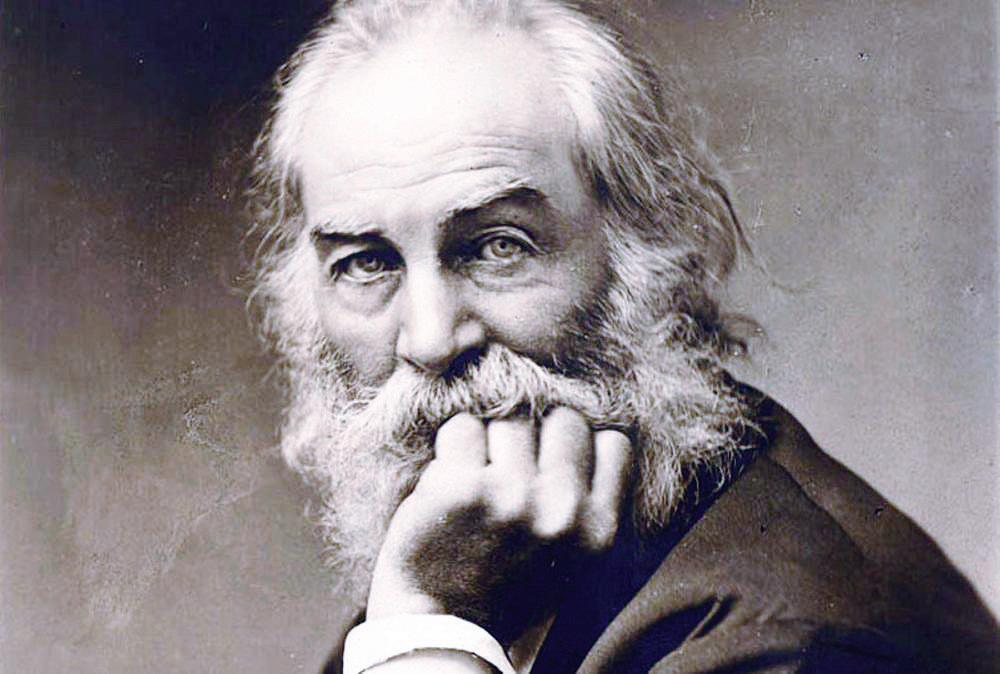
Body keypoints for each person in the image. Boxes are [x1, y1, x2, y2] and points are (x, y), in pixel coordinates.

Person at [246, 1, 1000, 672]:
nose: (431, 340)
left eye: (498, 246)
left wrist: (428, 630)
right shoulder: (477, 554)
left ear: (644, 246)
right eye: (366, 262)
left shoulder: (787, 636)